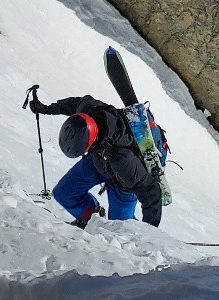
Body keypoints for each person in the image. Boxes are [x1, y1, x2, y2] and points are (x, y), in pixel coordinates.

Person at [29, 91, 162, 228]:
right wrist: (46, 109)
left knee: (121, 227)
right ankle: (92, 219)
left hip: (124, 182)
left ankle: (131, 240)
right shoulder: (87, 110)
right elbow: (72, 104)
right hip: (98, 159)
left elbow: (152, 192)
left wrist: (150, 234)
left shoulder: (123, 159)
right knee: (64, 193)